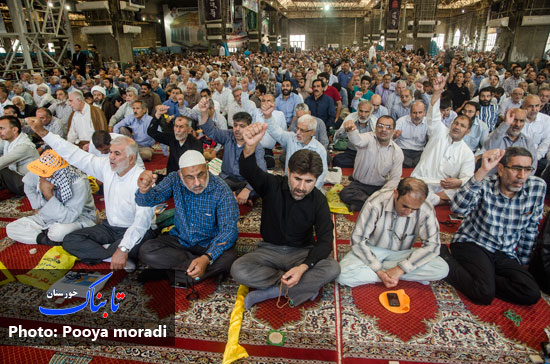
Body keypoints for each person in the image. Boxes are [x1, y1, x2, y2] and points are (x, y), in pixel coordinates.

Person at [231, 123, 340, 309]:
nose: (301, 187)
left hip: (301, 253)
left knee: (333, 268)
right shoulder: (272, 184)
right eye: (297, 178)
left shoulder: (319, 200)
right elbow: (249, 171)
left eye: (308, 181)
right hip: (268, 250)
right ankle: (301, 286)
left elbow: (325, 240)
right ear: (288, 172)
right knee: (238, 269)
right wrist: (250, 146)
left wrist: (303, 267)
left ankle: (274, 291)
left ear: (317, 180)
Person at [25, 116, 156, 270]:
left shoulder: (143, 181)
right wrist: (43, 133)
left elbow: (141, 223)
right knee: (71, 239)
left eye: (117, 154)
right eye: (111, 152)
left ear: (132, 158)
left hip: (136, 229)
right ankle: (109, 255)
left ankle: (112, 252)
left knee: (139, 246)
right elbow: (74, 154)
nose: (111, 157)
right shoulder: (107, 167)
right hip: (110, 228)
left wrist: (123, 248)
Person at [440, 147, 545, 305]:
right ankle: (444, 256)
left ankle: (482, 277)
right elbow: (458, 208)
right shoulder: (485, 183)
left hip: (504, 251)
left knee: (530, 293)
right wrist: (482, 171)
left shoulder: (537, 187)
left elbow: (531, 228)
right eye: (516, 169)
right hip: (473, 243)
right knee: (483, 294)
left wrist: (523, 263)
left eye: (527, 169)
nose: (522, 176)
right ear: (501, 169)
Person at [136, 150, 239, 285]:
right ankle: (195, 272)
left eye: (201, 175)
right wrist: (144, 191)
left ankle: (173, 272)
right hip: (181, 240)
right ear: (180, 175)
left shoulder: (221, 190)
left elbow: (229, 231)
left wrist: (207, 257)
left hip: (208, 244)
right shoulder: (174, 179)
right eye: (190, 177)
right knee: (146, 250)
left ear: (207, 168)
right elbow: (148, 201)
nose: (197, 183)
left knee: (228, 259)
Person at [337, 177, 449, 287]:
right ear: (396, 193)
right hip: (374, 249)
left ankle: (390, 273)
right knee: (342, 274)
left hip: (402, 254)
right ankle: (394, 275)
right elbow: (358, 240)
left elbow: (433, 245)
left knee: (442, 269)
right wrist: (379, 271)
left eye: (414, 209)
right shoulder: (376, 202)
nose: (408, 212)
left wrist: (400, 269)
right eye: (405, 206)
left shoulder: (426, 208)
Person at [6, 150, 96, 245]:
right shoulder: (41, 172)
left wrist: (48, 195)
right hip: (48, 217)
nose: (41, 176)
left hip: (78, 218)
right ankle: (45, 239)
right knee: (12, 228)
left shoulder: (78, 182)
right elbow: (28, 185)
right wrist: (37, 206)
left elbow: (69, 217)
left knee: (58, 232)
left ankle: (48, 235)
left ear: (58, 172)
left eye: (45, 173)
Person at [411, 76, 475, 206]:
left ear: (467, 131)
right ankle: (435, 200)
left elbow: (467, 177)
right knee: (412, 189)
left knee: (464, 189)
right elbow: (432, 116)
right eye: (456, 123)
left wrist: (459, 182)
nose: (457, 127)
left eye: (462, 126)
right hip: (420, 181)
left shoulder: (467, 153)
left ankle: (433, 199)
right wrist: (437, 92)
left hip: (443, 188)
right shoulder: (440, 131)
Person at [339, 115, 403, 211]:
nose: (384, 129)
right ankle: (375, 205)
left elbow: (395, 179)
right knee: (345, 193)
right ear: (375, 128)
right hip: (359, 185)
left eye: (388, 127)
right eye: (380, 126)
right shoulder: (368, 137)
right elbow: (357, 140)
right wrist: (351, 130)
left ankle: (361, 204)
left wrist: (382, 194)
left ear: (393, 131)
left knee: (394, 197)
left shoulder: (397, 152)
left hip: (379, 187)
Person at [265, 110, 328, 190]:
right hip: (289, 184)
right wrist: (268, 116)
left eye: (302, 130)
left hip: (307, 189)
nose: (297, 132)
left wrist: (309, 191)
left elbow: (321, 175)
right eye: (297, 128)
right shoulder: (291, 138)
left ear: (312, 132)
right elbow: (276, 131)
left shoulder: (319, 149)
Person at [147, 105, 202, 176]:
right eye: (176, 126)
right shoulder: (172, 137)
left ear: (189, 130)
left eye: (181, 127)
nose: (177, 130)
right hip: (171, 176)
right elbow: (151, 132)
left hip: (187, 177)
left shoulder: (196, 145)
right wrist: (158, 114)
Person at [483, 108, 537, 174]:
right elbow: (489, 147)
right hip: (495, 179)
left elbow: (532, 166)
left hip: (520, 181)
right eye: (514, 120)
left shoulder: (528, 142)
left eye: (522, 121)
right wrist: (505, 124)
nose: (518, 124)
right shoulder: (496, 136)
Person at [0, 116, 39, 195]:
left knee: (2, 170)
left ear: (14, 130)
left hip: (30, 185)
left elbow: (1, 162)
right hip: (19, 178)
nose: (0, 131)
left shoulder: (24, 146)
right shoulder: (8, 141)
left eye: (2, 128)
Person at [332, 100, 376, 168]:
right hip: (352, 152)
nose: (363, 115)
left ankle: (360, 164)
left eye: (366, 112)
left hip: (368, 153)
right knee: (337, 160)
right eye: (361, 111)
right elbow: (339, 136)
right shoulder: (351, 118)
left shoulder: (375, 121)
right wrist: (345, 130)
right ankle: (362, 164)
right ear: (357, 110)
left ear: (371, 112)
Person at [393, 101, 427, 168]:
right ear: (410, 113)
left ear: (424, 113)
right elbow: (391, 136)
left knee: (426, 159)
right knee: (396, 156)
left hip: (419, 151)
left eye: (420, 112)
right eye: (414, 113)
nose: (417, 116)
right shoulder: (401, 121)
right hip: (403, 150)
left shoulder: (428, 122)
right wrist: (395, 136)